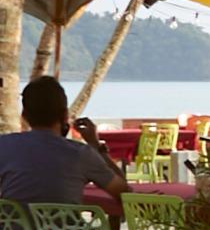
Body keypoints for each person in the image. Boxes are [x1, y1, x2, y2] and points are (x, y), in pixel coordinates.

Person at [0, 76, 123, 205]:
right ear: (65, 115)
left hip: (17, 225)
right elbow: (124, 193)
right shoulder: (81, 154)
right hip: (65, 226)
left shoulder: (4, 146)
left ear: (24, 115)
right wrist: (96, 146)